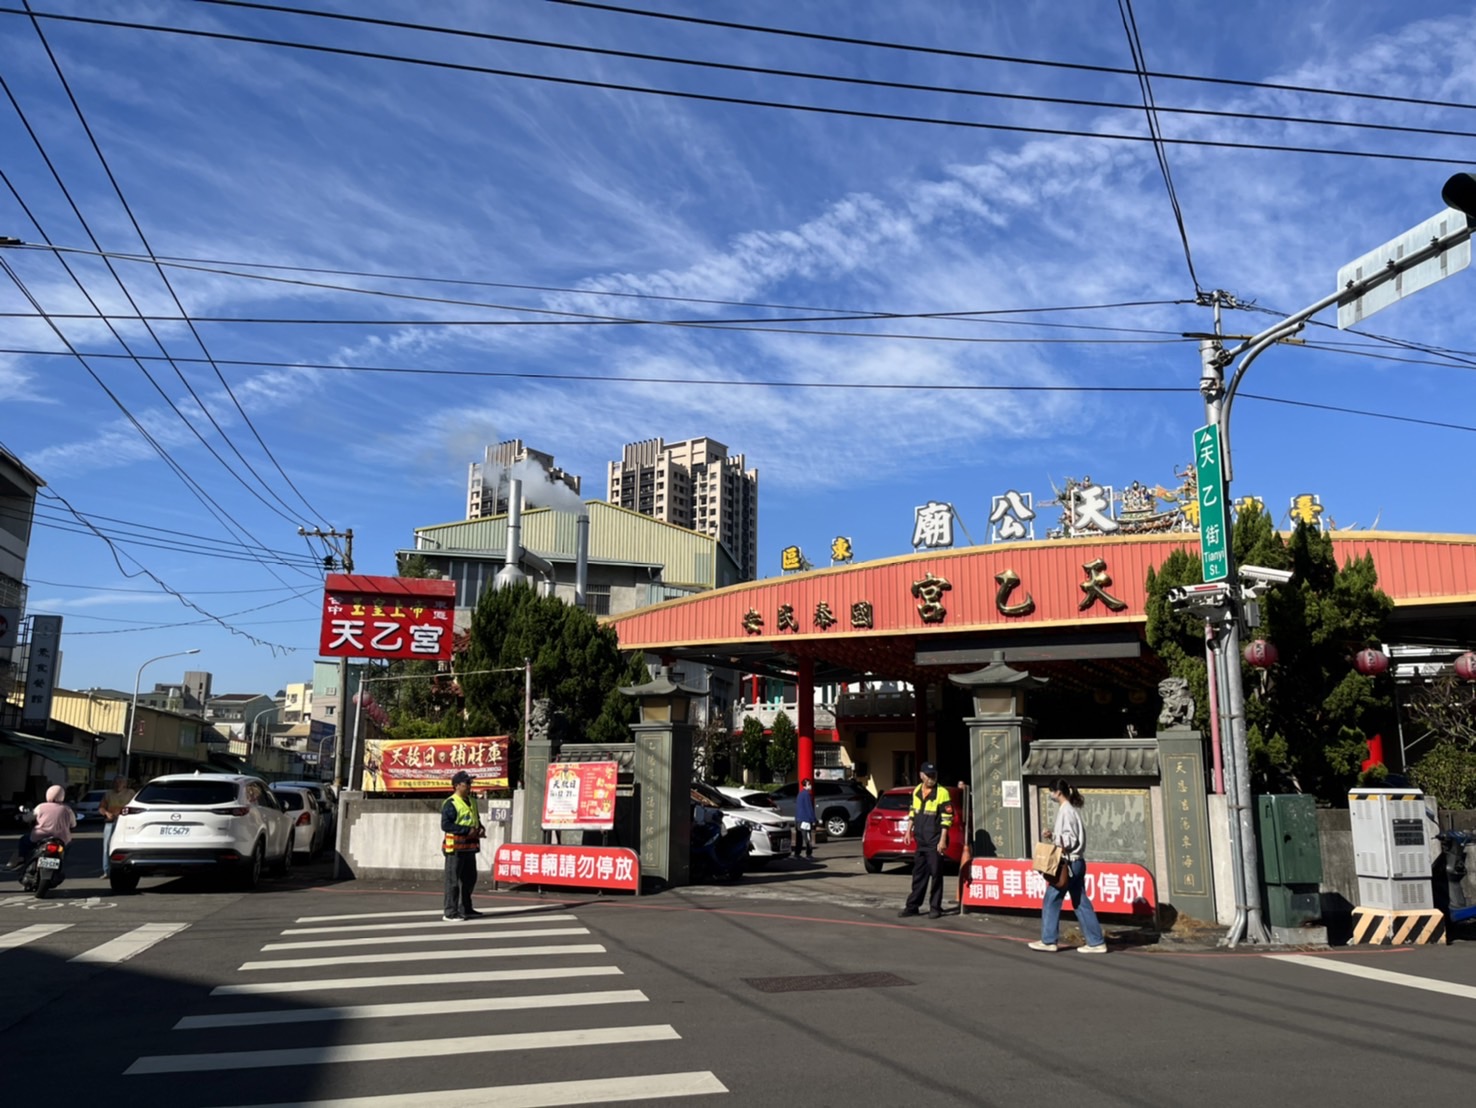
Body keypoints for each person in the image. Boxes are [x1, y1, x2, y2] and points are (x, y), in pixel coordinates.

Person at [1030, 778, 1108, 953]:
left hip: (1068, 863)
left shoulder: (1066, 811)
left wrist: (1054, 837)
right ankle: (1096, 942)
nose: (1051, 794)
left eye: (1051, 791)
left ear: (1058, 792)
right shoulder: (1070, 810)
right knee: (1080, 902)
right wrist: (1054, 836)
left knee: (1052, 898)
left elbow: (1070, 840)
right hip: (1077, 862)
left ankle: (1049, 940)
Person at [898, 762, 953, 920]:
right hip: (921, 840)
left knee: (936, 875)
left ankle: (935, 907)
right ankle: (912, 906)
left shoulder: (942, 793)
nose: (931, 779)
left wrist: (942, 840)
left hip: (935, 841)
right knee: (918, 875)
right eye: (928, 776)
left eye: (934, 775)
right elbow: (913, 812)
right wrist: (908, 831)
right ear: (921, 775)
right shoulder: (917, 790)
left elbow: (947, 819)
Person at [440, 770, 485, 922]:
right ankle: (450, 912)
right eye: (467, 783)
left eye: (470, 783)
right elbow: (446, 825)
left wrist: (480, 828)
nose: (470, 786)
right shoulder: (451, 803)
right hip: (455, 848)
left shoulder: (472, 801)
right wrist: (466, 830)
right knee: (453, 881)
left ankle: (466, 907)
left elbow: (475, 818)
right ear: (457, 785)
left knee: (470, 878)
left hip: (470, 847)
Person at [8, 784, 76, 869]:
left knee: (23, 840)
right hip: (61, 840)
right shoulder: (67, 809)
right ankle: (61, 861)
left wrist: (21, 818)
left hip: (39, 837)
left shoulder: (41, 807)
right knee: (68, 846)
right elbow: (73, 824)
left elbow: (27, 818)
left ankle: (22, 859)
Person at [99, 774, 135, 878]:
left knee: (125, 846)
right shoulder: (108, 794)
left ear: (125, 784)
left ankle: (126, 869)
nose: (118, 784)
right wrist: (106, 813)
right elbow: (101, 807)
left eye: (120, 782)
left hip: (125, 823)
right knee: (107, 847)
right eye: (116, 782)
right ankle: (106, 871)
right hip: (110, 822)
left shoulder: (131, 793)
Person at [793, 778, 816, 859]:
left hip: (799, 819)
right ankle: (808, 854)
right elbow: (809, 808)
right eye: (809, 784)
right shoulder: (807, 795)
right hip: (805, 819)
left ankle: (797, 853)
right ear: (805, 785)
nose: (810, 786)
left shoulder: (800, 794)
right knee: (807, 838)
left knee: (799, 838)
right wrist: (813, 819)